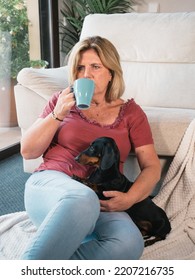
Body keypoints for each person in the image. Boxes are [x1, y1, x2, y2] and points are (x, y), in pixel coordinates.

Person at [20, 36, 161, 260]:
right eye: (80, 68)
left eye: (95, 67)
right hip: (53, 184)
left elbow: (152, 166)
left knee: (129, 243)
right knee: (82, 198)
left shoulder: (131, 113)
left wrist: (130, 198)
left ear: (111, 73)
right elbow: (28, 151)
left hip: (100, 198)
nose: (86, 75)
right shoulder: (61, 101)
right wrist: (58, 114)